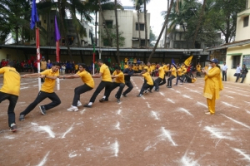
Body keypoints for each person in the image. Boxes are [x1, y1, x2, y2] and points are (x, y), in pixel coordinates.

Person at [0, 62, 20, 132]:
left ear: (8, 65)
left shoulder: (6, 68)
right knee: (11, 110)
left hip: (6, 90)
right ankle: (13, 125)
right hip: (15, 93)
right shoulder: (18, 73)